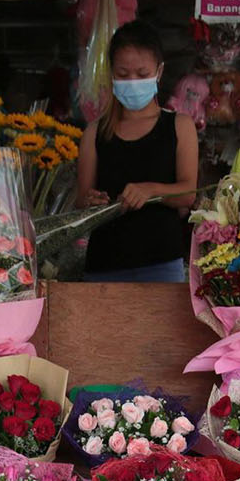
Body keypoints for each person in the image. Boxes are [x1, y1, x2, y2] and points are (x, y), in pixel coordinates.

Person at [76, 20, 199, 283]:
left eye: (142, 74)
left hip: (161, 264)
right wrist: (89, 202)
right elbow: (80, 201)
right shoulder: (94, 133)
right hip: (103, 266)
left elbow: (189, 193)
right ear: (111, 74)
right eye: (123, 74)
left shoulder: (180, 126)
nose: (132, 81)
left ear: (159, 71)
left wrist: (151, 190)